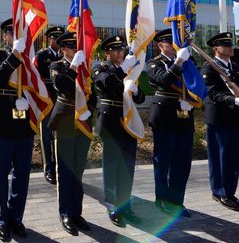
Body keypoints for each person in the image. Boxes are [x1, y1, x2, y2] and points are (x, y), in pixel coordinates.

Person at [0, 19, 34, 241]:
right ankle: (2, 218)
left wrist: (28, 100)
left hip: (25, 121)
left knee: (22, 173)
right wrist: (15, 54)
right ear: (5, 36)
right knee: (2, 171)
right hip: (5, 121)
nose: (14, 36)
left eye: (17, 33)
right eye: (10, 32)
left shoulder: (30, 57)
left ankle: (16, 216)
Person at [93, 35, 145, 228]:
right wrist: (123, 70)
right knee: (112, 167)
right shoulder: (101, 69)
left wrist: (136, 90)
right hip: (111, 124)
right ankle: (112, 205)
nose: (120, 52)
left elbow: (140, 98)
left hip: (128, 123)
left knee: (127, 168)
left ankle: (125, 206)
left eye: (121, 49)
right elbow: (107, 85)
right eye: (115, 49)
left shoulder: (129, 69)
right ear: (107, 52)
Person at [48, 31, 95, 236]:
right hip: (65, 122)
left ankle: (77, 213)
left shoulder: (86, 67)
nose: (75, 49)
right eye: (70, 46)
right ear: (63, 49)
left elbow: (93, 93)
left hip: (82, 121)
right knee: (65, 170)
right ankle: (65, 213)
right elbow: (62, 86)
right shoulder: (56, 66)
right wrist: (73, 66)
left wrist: (89, 109)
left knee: (78, 169)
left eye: (77, 46)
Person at [202, 32, 239, 212]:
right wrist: (234, 101)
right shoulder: (209, 67)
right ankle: (219, 192)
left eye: (230, 44)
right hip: (219, 118)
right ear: (216, 49)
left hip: (235, 118)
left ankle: (230, 192)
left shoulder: (236, 67)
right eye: (225, 45)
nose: (230, 47)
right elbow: (211, 93)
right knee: (220, 157)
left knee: (233, 159)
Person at [145, 28, 194, 218]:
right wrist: (179, 62)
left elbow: (196, 84)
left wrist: (192, 101)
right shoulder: (154, 63)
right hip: (165, 117)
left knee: (182, 163)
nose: (174, 46)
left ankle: (176, 202)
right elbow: (163, 80)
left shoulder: (188, 62)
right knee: (163, 162)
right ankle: (162, 200)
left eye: (176, 42)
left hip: (184, 116)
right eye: (170, 42)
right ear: (160, 45)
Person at [35, 25, 64, 185]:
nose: (58, 41)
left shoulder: (65, 55)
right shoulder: (41, 56)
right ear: (49, 39)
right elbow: (36, 79)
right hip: (47, 102)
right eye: (55, 37)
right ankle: (48, 169)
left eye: (60, 38)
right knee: (46, 136)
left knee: (60, 137)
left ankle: (60, 167)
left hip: (61, 102)